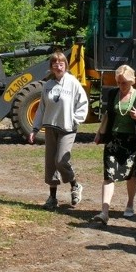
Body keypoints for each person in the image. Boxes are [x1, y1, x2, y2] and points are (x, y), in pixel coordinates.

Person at [92, 65, 136, 226]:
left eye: (124, 82)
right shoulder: (113, 94)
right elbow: (106, 115)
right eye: (119, 82)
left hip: (131, 140)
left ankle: (130, 203)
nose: (121, 85)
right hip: (113, 139)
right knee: (109, 175)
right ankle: (104, 212)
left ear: (132, 81)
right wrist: (100, 133)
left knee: (131, 175)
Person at [29, 51, 89, 210]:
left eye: (61, 63)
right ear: (51, 67)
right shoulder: (47, 85)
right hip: (50, 127)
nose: (58, 65)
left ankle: (75, 185)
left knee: (61, 160)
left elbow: (83, 103)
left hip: (67, 128)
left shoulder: (73, 82)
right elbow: (41, 108)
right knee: (50, 163)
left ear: (65, 65)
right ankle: (52, 197)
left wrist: (75, 119)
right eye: (55, 63)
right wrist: (35, 128)